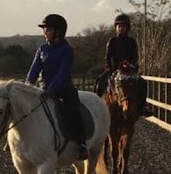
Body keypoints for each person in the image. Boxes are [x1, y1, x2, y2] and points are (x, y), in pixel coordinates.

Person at [26, 14, 89, 160]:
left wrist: (50, 91)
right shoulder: (41, 49)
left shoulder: (67, 50)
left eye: (47, 29)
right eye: (45, 29)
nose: (45, 32)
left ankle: (81, 144)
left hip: (63, 89)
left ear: (58, 32)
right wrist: (27, 88)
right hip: (43, 90)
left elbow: (62, 74)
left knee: (73, 111)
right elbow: (33, 70)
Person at [95, 13, 151, 116]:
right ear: (116, 28)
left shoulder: (132, 42)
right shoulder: (112, 41)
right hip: (114, 69)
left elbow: (135, 56)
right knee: (99, 82)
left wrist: (131, 65)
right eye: (119, 26)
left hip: (129, 70)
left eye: (123, 26)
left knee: (143, 83)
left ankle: (143, 106)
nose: (121, 28)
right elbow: (108, 56)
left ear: (127, 28)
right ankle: (97, 105)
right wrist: (109, 65)